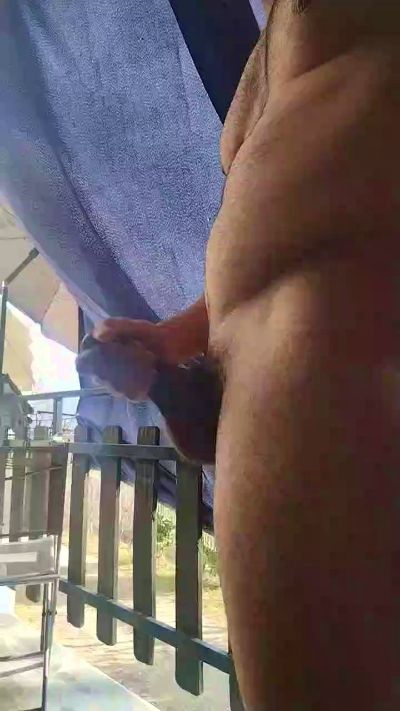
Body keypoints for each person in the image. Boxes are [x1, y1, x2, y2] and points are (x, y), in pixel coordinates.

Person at [78, 1, 400, 708]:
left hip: (352, 365)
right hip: (276, 413)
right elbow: (274, 222)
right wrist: (179, 341)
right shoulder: (274, 33)